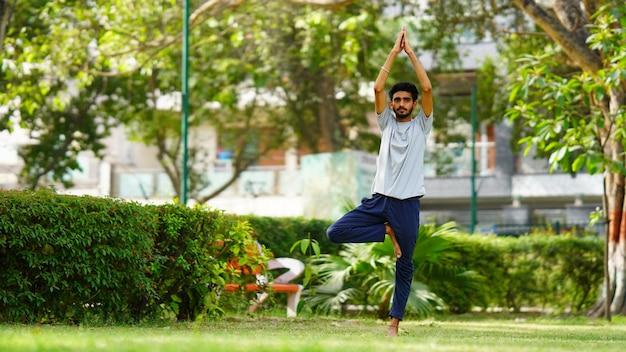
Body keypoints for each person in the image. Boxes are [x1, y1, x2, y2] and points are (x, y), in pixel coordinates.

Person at [326, 26, 433, 337]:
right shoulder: (385, 122)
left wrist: (410, 54)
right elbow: (376, 87)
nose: (400, 103)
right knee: (335, 232)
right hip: (379, 200)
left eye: (405, 100)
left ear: (413, 105)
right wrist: (392, 52)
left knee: (405, 265)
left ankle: (394, 323)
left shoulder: (421, 126)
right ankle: (386, 231)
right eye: (396, 99)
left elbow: (427, 90)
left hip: (407, 204)